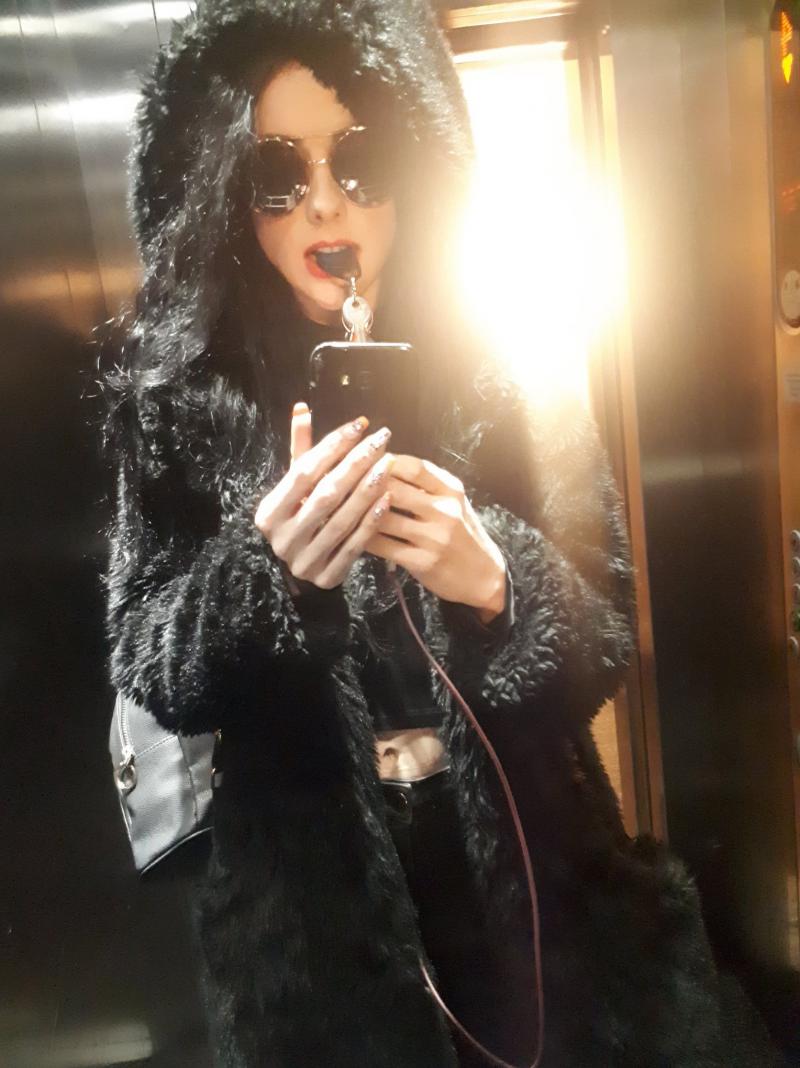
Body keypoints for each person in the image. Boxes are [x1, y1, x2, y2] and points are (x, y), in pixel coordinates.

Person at [98, 1, 782, 1065]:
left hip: (537, 882)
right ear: (225, 185)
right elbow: (147, 654)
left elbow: (603, 633)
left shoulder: (505, 372)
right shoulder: (181, 405)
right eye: (275, 172)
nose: (325, 200)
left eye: (361, 159)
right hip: (311, 923)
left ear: (416, 163)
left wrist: (497, 583)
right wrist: (264, 580)